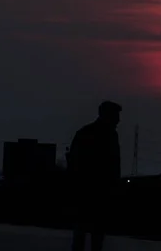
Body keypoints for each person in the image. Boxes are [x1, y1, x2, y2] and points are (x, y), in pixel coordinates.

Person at [67, 101, 122, 251]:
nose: (118, 120)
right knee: (93, 237)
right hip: (94, 194)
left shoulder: (86, 133)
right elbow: (113, 167)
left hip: (88, 194)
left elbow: (73, 164)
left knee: (83, 236)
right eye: (116, 115)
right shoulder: (108, 136)